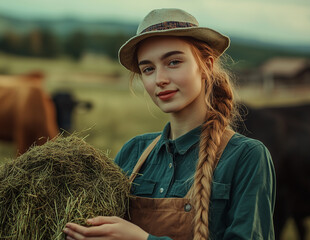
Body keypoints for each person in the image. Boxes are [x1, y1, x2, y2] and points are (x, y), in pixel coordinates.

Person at [63, 8, 275, 240]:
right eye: (148, 69)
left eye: (173, 62)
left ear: (207, 66)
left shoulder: (247, 157)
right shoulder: (133, 152)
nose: (160, 79)